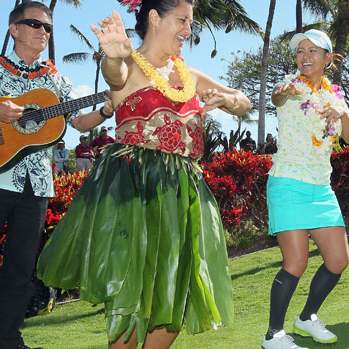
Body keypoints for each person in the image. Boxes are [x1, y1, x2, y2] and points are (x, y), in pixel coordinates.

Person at [36, 1, 251, 348]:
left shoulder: (190, 76)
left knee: (174, 295)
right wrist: (112, 55)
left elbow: (242, 100)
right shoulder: (131, 67)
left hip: (182, 194)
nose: (187, 29)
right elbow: (114, 76)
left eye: (190, 22)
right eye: (182, 20)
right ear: (154, 17)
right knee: (132, 298)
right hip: (136, 192)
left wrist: (227, 102)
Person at [0, 3, 114, 348]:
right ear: (13, 29)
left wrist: (107, 107)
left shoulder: (55, 80)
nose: (42, 31)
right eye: (34, 24)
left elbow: (78, 122)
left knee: (20, 270)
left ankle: (7, 340)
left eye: (48, 27)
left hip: (37, 186)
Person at [262, 29, 349, 349]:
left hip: (321, 187)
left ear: (328, 58)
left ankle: (306, 318)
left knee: (338, 261)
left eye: (313, 51)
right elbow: (278, 97)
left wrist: (343, 113)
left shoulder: (334, 96)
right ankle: (273, 334)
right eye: (300, 51)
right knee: (296, 262)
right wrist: (283, 90)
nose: (305, 56)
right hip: (289, 182)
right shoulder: (290, 87)